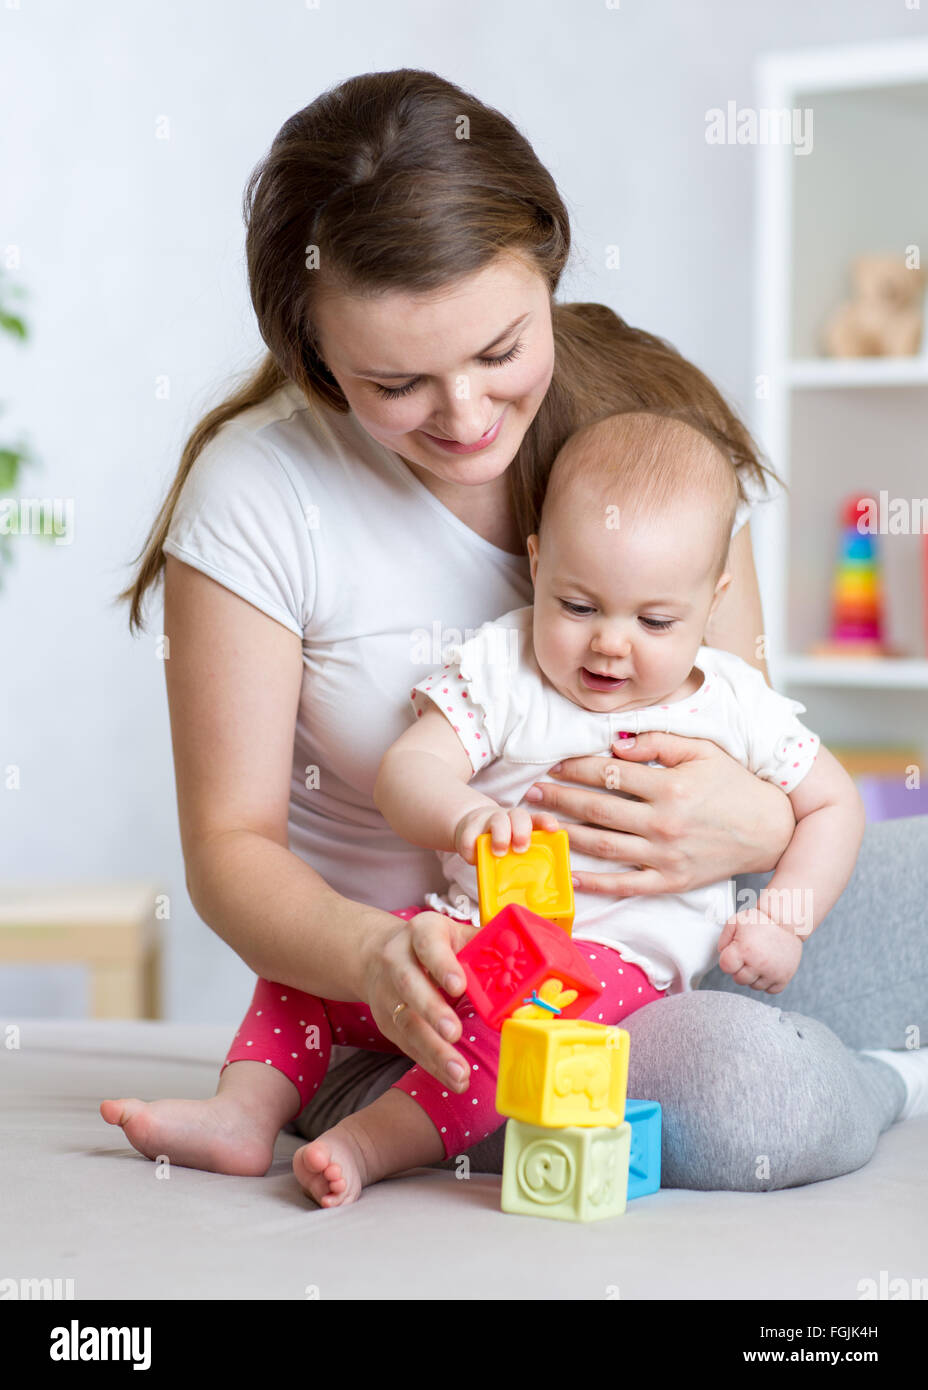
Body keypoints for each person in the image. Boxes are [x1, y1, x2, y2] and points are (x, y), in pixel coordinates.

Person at [101, 69, 926, 1193]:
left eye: (500, 351)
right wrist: (379, 957)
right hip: (430, 999)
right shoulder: (259, 496)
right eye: (396, 381)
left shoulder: (645, 429)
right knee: (750, 1095)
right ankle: (885, 1075)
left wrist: (756, 825)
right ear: (313, 358)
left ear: (547, 264)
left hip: (699, 928)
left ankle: (840, 1037)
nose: (466, 414)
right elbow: (230, 849)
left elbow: (751, 725)